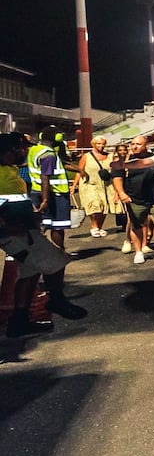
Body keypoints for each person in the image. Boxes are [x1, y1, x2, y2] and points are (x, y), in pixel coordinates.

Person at [0, 132, 87, 336]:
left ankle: (18, 322)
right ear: (10, 151)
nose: (25, 151)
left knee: (30, 272)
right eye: (22, 148)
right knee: (56, 261)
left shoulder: (10, 169)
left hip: (24, 229)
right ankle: (56, 300)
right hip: (14, 233)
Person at [111, 134, 154, 263]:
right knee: (136, 225)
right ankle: (138, 252)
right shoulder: (125, 161)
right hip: (134, 198)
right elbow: (117, 178)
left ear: (146, 146)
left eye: (138, 144)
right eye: (132, 144)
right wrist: (121, 193)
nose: (134, 146)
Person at [74, 135, 117, 237]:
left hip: (106, 184)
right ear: (93, 144)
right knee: (94, 205)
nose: (101, 146)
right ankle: (94, 226)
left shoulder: (110, 156)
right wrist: (74, 185)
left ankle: (100, 226)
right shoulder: (87, 156)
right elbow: (79, 171)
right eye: (99, 144)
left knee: (104, 206)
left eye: (103, 144)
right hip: (90, 184)